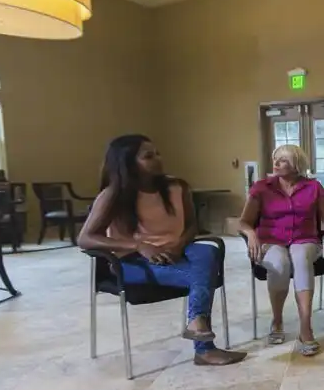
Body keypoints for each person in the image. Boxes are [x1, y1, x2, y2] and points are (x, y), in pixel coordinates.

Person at [77, 134, 247, 366]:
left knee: (208, 251)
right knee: (202, 277)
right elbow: (85, 238)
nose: (158, 159)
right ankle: (204, 347)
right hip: (133, 262)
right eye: (148, 156)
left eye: (157, 153)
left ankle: (197, 323)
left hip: (178, 253)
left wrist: (179, 244)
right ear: (127, 163)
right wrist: (139, 245)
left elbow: (191, 226)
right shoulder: (112, 195)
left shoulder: (178, 187)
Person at [239, 144, 324, 356]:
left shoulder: (313, 187)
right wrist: (251, 234)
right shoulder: (261, 187)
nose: (276, 163)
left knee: (300, 256)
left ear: (296, 165)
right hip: (270, 241)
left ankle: (305, 326)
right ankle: (277, 320)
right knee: (281, 262)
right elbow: (244, 222)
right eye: (276, 159)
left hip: (306, 240)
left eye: (283, 160)